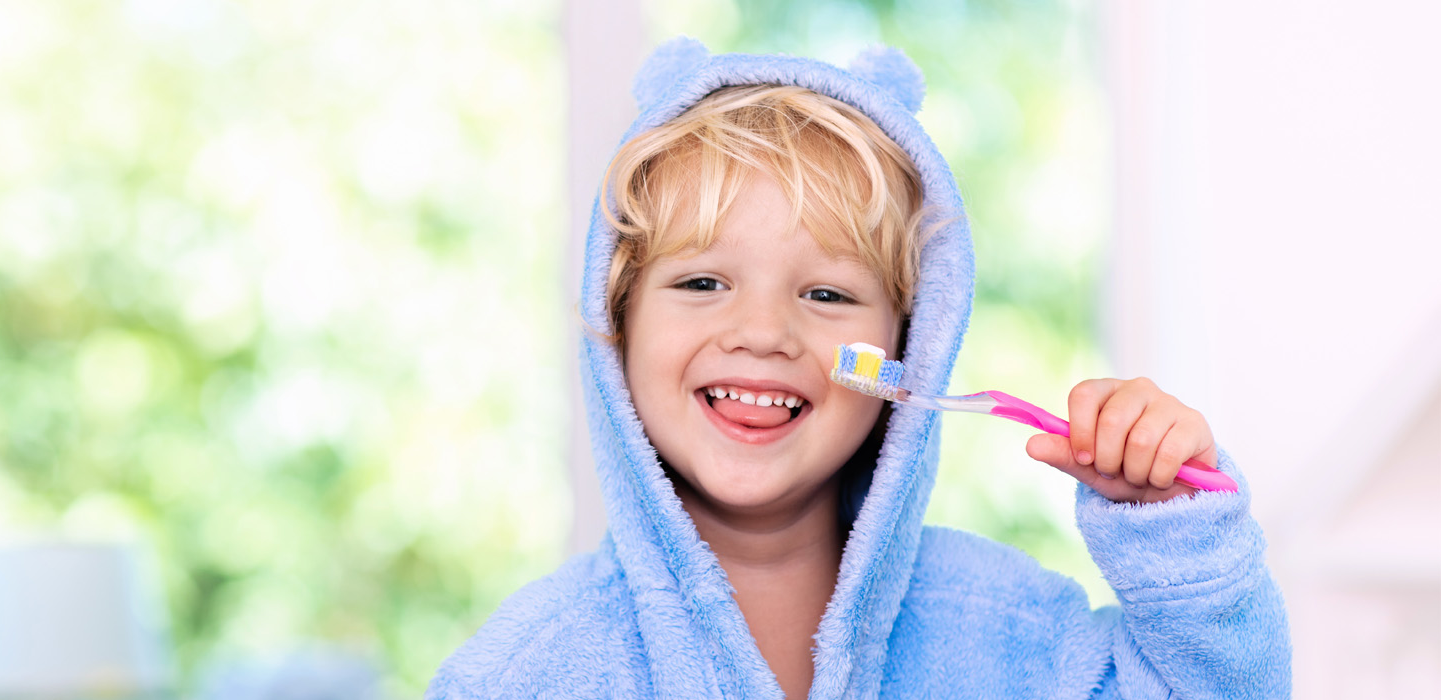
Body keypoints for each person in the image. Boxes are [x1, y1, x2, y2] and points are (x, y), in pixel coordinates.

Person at [426, 37, 1289, 699]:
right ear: (618, 321)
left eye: (828, 295)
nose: (763, 332)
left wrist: (1173, 529)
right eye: (701, 281)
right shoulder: (526, 672)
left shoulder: (1014, 634)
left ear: (906, 357)